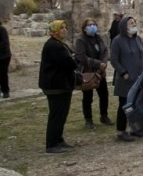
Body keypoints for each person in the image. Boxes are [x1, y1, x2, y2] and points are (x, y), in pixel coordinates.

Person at [38, 20, 79, 154]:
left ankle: (58, 140)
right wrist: (73, 59)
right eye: (61, 28)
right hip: (55, 85)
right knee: (56, 115)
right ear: (54, 31)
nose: (64, 30)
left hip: (62, 84)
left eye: (65, 28)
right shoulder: (53, 46)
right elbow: (69, 63)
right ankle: (51, 144)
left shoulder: (60, 44)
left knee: (62, 114)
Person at [110, 15, 143, 142]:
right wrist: (123, 72)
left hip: (139, 77)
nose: (133, 24)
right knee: (125, 105)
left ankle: (136, 128)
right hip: (126, 79)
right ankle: (121, 131)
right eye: (130, 23)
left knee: (138, 104)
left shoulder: (137, 39)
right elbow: (114, 59)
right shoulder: (117, 41)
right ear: (124, 26)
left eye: (134, 22)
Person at [74, 18, 111, 130]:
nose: (93, 27)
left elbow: (105, 51)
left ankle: (104, 116)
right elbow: (81, 56)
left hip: (100, 72)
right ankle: (88, 120)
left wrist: (103, 63)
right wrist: (97, 63)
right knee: (87, 97)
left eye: (94, 24)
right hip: (88, 72)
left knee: (104, 95)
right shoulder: (80, 40)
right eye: (90, 25)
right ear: (84, 28)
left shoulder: (98, 38)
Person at [0, 20, 11, 98]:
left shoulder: (2, 30)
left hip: (3, 56)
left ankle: (5, 91)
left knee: (3, 74)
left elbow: (5, 43)